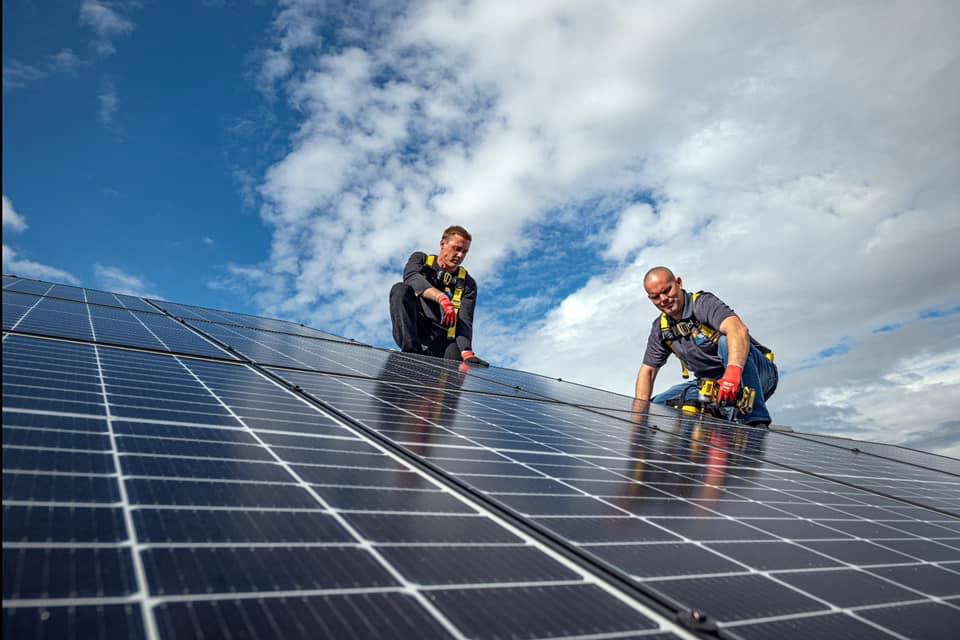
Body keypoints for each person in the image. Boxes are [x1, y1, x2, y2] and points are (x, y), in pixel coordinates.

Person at [633, 266, 777, 426]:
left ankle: (755, 421)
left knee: (725, 341)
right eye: (656, 297)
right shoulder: (661, 328)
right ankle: (714, 419)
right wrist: (639, 415)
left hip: (753, 372)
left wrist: (732, 375)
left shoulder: (702, 304)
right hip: (712, 383)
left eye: (667, 291)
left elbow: (737, 330)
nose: (663, 299)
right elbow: (648, 371)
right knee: (658, 404)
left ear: (679, 283)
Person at [389, 225, 489, 366]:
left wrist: (466, 351)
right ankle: (412, 353)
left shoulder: (468, 283)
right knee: (400, 290)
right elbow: (411, 277)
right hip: (416, 328)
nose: (460, 255)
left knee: (453, 376)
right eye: (457, 249)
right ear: (443, 244)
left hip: (444, 336)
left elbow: (465, 320)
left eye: (464, 252)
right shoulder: (421, 259)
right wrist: (441, 297)